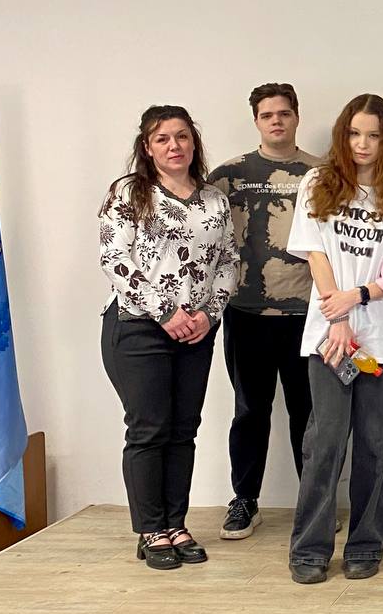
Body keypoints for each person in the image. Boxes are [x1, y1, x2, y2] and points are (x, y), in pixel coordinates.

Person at [98, 105, 238, 570]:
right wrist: (165, 312)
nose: (174, 146)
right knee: (149, 428)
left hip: (196, 331)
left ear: (193, 142)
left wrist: (208, 315)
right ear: (147, 147)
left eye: (181, 136)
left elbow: (229, 262)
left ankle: (176, 524)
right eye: (162, 138)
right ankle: (151, 530)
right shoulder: (129, 193)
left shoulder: (214, 200)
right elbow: (115, 260)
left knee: (183, 429)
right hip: (139, 328)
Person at [285, 94, 383, 584]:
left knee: (376, 446)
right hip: (329, 339)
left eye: (374, 135)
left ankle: (366, 544)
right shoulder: (317, 182)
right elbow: (316, 252)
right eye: (355, 133)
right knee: (324, 443)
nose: (363, 144)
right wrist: (337, 314)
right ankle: (310, 548)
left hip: (381, 339)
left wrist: (359, 296)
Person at [207, 83, 321, 540]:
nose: (276, 121)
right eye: (267, 114)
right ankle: (244, 500)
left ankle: (314, 502)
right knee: (250, 411)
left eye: (284, 113)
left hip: (307, 314)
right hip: (246, 313)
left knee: (308, 413)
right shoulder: (227, 176)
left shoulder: (321, 173)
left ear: (297, 117)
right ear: (256, 120)